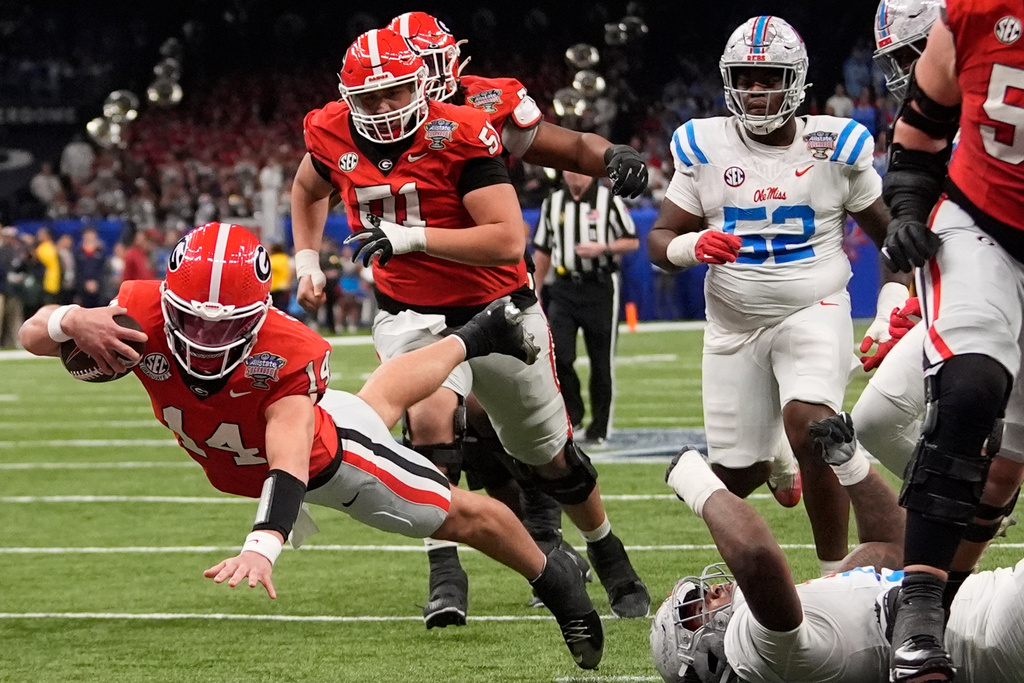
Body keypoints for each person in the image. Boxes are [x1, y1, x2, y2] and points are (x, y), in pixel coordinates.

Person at [17, 222, 604, 671]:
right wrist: (72, 319)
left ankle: (557, 582)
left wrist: (262, 545)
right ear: (167, 302)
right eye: (192, 320)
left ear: (260, 314)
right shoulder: (138, 309)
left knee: (457, 514)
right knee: (382, 397)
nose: (206, 337)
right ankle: (480, 333)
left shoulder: (285, 351)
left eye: (227, 325)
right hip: (281, 450)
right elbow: (31, 334)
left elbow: (291, 456)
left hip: (332, 462)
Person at [290, 28, 649, 628]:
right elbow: (308, 186)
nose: (386, 105)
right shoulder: (331, 128)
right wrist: (304, 258)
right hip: (410, 311)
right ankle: (444, 572)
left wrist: (609, 154)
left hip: (497, 307)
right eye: (371, 95)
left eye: (404, 83)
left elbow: (516, 225)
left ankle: (608, 551)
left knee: (546, 453)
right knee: (429, 425)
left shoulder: (471, 119)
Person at [646, 15, 904, 575]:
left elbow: (896, 244)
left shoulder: (834, 146)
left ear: (799, 81)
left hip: (814, 305)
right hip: (734, 325)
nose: (756, 91)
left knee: (814, 425)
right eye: (745, 77)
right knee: (736, 475)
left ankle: (834, 573)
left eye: (769, 79)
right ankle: (775, 461)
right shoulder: (703, 144)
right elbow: (658, 241)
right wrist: (693, 245)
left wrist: (887, 311)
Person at [873, 0, 1024, 678]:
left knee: (1006, 462)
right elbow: (922, 131)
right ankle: (920, 606)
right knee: (969, 389)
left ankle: (946, 597)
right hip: (981, 218)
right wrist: (907, 207)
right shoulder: (974, 14)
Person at [652, 419, 1024, 683]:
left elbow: (900, 553)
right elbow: (755, 556)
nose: (714, 590)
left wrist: (851, 467)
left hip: (985, 618)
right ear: (704, 660)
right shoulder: (756, 654)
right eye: (698, 608)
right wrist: (693, 479)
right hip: (984, 630)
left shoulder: (804, 634)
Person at [533, 171, 639, 445]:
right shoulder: (552, 203)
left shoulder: (608, 200)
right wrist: (534, 289)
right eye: (567, 168)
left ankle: (600, 427)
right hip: (564, 288)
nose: (572, 174)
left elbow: (632, 240)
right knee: (559, 355)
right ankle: (574, 415)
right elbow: (542, 250)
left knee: (601, 362)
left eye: (576, 168)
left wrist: (603, 248)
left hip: (599, 286)